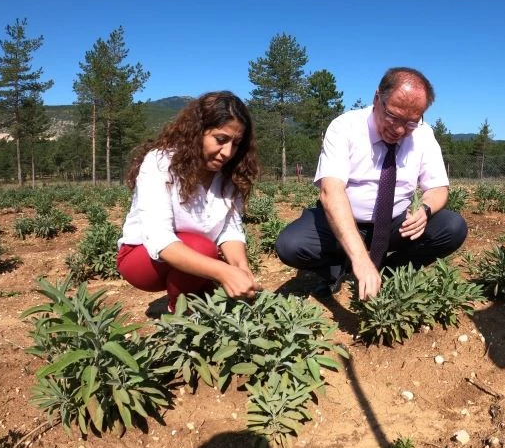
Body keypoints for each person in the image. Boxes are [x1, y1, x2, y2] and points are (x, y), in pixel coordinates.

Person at [276, 67, 467, 300]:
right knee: (291, 245)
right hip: (344, 220)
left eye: (410, 122)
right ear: (377, 98)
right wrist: (360, 259)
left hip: (394, 224)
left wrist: (425, 209)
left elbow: (438, 187)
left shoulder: (424, 135)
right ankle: (338, 268)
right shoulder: (344, 127)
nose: (398, 129)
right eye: (393, 116)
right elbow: (331, 192)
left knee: (452, 227)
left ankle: (388, 271)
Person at [117, 91, 260, 313]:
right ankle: (181, 314)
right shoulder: (160, 163)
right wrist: (224, 272)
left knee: (220, 303)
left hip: (198, 257)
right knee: (203, 249)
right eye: (220, 140)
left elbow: (230, 231)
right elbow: (160, 240)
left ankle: (195, 297)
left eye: (236, 143)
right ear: (197, 132)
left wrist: (241, 269)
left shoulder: (229, 177)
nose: (228, 152)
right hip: (143, 259)